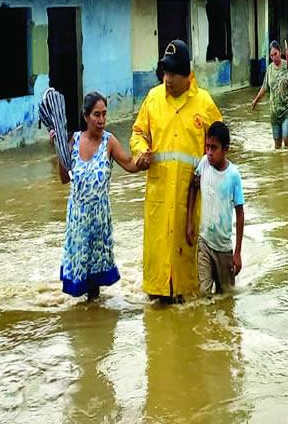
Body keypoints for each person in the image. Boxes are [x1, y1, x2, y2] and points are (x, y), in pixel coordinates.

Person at [130, 39, 223, 302]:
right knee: (158, 275)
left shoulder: (203, 103)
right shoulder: (153, 98)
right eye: (164, 73)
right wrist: (141, 151)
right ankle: (158, 293)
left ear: (187, 75)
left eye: (172, 74)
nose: (167, 79)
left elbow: (221, 144)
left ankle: (186, 294)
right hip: (159, 196)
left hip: (191, 197)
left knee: (189, 282)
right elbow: (138, 132)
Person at [50, 92, 142, 300]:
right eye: (96, 115)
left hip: (99, 218)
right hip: (78, 219)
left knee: (95, 284)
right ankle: (86, 320)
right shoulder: (73, 140)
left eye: (104, 115)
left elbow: (129, 164)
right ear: (85, 116)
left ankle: (94, 312)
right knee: (79, 276)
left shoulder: (109, 142)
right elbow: (64, 178)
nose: (101, 120)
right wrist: (60, 150)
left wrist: (144, 161)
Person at [185, 121, 245, 296]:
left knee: (225, 296)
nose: (209, 153)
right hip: (204, 242)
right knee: (204, 293)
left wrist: (238, 253)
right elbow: (193, 187)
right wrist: (189, 221)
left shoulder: (233, 175)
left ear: (225, 149)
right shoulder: (203, 164)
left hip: (224, 248)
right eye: (207, 147)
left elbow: (240, 214)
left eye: (214, 148)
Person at [250, 40, 288, 148]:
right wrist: (255, 100)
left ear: (280, 52)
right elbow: (264, 86)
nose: (274, 57)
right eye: (271, 55)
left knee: (286, 138)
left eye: (275, 54)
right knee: (277, 145)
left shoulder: (287, 66)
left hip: (287, 110)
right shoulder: (269, 68)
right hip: (274, 112)